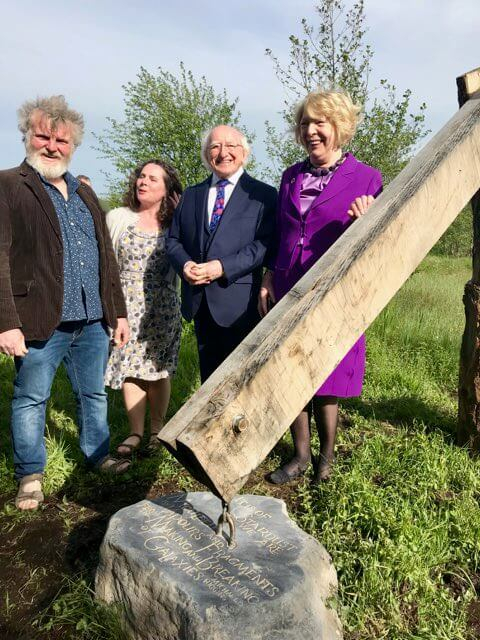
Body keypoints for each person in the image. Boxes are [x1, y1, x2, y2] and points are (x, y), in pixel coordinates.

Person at [0, 95, 131, 511]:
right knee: (31, 397)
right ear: (28, 136)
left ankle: (97, 455)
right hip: (40, 318)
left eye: (62, 140)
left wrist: (119, 312)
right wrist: (6, 322)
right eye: (43, 136)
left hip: (92, 318)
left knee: (92, 394)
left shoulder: (84, 192)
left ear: (73, 145)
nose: (52, 146)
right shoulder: (8, 185)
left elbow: (104, 256)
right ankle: (31, 474)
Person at [259, 90, 382, 486]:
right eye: (305, 124)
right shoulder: (291, 176)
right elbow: (281, 232)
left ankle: (325, 459)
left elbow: (377, 244)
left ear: (339, 128)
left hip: (334, 290)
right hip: (288, 284)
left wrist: (366, 222)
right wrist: (267, 275)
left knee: (325, 375)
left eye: (320, 124)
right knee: (290, 368)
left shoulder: (367, 178)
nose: (311, 132)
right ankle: (299, 455)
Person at [166, 125, 277, 383]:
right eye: (215, 146)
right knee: (210, 383)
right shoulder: (191, 195)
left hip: (242, 305)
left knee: (245, 381)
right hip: (201, 304)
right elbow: (173, 240)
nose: (222, 152)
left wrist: (221, 267)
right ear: (207, 154)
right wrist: (184, 266)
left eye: (231, 146)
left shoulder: (263, 195)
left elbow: (264, 244)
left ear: (244, 153)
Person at [105, 160, 183, 456]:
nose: (143, 182)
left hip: (161, 306)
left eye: (152, 179)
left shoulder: (175, 223)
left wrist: (183, 209)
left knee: (158, 370)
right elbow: (108, 264)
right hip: (125, 306)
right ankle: (136, 432)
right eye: (141, 176)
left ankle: (157, 430)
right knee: (129, 368)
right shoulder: (118, 217)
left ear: (166, 189)